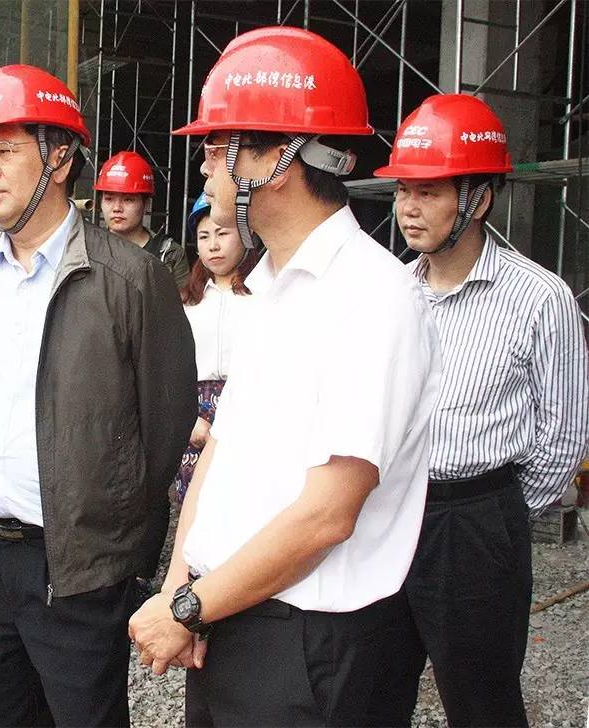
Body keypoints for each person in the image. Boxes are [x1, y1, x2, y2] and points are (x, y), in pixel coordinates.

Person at [129, 27, 443, 726]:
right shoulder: (270, 286)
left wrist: (187, 609)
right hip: (225, 612)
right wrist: (183, 589)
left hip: (304, 646)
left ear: (279, 159)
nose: (204, 166)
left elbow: (328, 512)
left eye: (219, 147)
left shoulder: (373, 297)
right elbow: (221, 452)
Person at [0, 64, 196, 727]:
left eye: (5, 151)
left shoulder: (131, 279)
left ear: (59, 157)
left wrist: (115, 548)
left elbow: (165, 426)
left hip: (80, 572)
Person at [372, 94, 589, 727]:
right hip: (386, 509)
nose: (408, 208)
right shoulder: (391, 291)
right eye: (403, 190)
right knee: (370, 689)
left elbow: (563, 434)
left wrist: (499, 515)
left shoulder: (539, 298)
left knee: (481, 701)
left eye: (429, 192)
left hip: (476, 520)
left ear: (479, 198)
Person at [173, 193, 258, 503]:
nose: (213, 245)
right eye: (204, 237)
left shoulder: (264, 293)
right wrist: (187, 419)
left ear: (246, 235)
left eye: (222, 234)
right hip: (195, 413)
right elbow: (172, 369)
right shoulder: (187, 301)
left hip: (249, 408)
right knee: (196, 504)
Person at [96, 150, 190, 287]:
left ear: (146, 204)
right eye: (109, 199)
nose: (117, 208)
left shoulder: (169, 254)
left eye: (128, 200)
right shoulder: (89, 246)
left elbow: (181, 299)